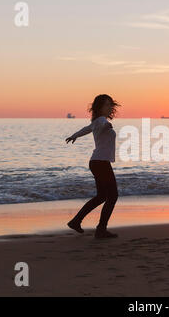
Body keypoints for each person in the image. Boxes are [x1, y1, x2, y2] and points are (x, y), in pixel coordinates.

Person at [65, 94, 120, 238]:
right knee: (112, 195)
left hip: (98, 162)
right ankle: (100, 229)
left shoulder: (96, 121)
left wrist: (74, 135)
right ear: (99, 107)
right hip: (100, 162)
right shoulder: (101, 121)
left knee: (102, 196)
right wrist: (107, 125)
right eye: (106, 105)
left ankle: (76, 221)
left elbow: (86, 129)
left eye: (110, 105)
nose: (109, 107)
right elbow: (102, 125)